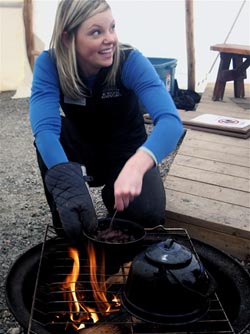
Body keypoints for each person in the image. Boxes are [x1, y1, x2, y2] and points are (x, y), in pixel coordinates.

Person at [29, 0, 184, 243]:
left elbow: (171, 121)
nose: (110, 39)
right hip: (81, 150)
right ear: (68, 38)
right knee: (51, 141)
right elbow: (45, 129)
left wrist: (137, 165)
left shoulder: (129, 60)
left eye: (112, 28)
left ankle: (114, 193)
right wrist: (69, 185)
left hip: (126, 152)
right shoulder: (50, 64)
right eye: (96, 32)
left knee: (148, 215)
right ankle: (67, 224)